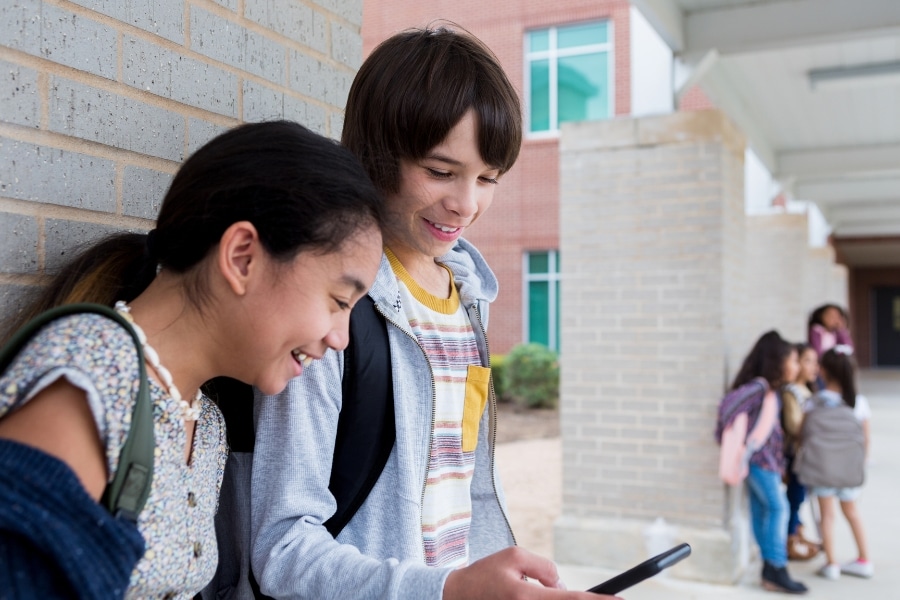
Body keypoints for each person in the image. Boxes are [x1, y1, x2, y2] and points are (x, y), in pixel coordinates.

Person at [231, 26, 617, 600]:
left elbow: (469, 486)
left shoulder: (469, 297)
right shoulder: (333, 306)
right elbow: (283, 549)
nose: (466, 203)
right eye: (440, 172)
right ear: (376, 154)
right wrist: (446, 589)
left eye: (488, 178)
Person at [0, 121, 384, 598]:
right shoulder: (90, 378)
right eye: (339, 300)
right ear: (242, 257)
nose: (341, 339)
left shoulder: (207, 426)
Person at [721, 331, 807, 595]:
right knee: (778, 508)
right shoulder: (759, 387)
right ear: (777, 361)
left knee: (762, 509)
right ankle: (776, 566)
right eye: (793, 361)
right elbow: (728, 408)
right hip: (759, 462)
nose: (797, 367)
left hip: (768, 463)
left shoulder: (772, 391)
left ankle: (770, 568)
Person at [802, 346, 873, 581]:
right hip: (849, 470)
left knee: (827, 515)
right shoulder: (858, 403)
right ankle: (864, 560)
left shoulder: (813, 403)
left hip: (822, 469)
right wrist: (859, 466)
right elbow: (865, 440)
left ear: (822, 371)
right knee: (852, 512)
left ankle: (831, 563)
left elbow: (803, 435)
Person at [780, 343, 820, 561]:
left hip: (809, 456)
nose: (814, 366)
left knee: (801, 498)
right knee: (794, 498)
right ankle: (790, 541)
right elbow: (794, 425)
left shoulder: (810, 390)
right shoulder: (791, 392)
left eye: (815, 361)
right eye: (806, 361)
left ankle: (798, 534)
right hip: (796, 456)